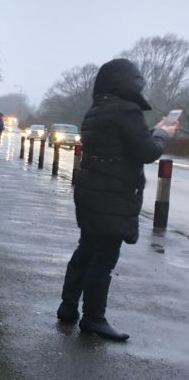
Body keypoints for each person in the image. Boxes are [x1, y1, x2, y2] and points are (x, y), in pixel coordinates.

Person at [57, 58, 178, 341]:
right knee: (104, 258)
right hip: (112, 195)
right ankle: (94, 319)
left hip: (90, 192)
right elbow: (147, 151)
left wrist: (154, 131)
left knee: (86, 249)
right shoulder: (126, 110)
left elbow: (125, 143)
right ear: (130, 83)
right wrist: (163, 133)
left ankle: (68, 307)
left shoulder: (96, 110)